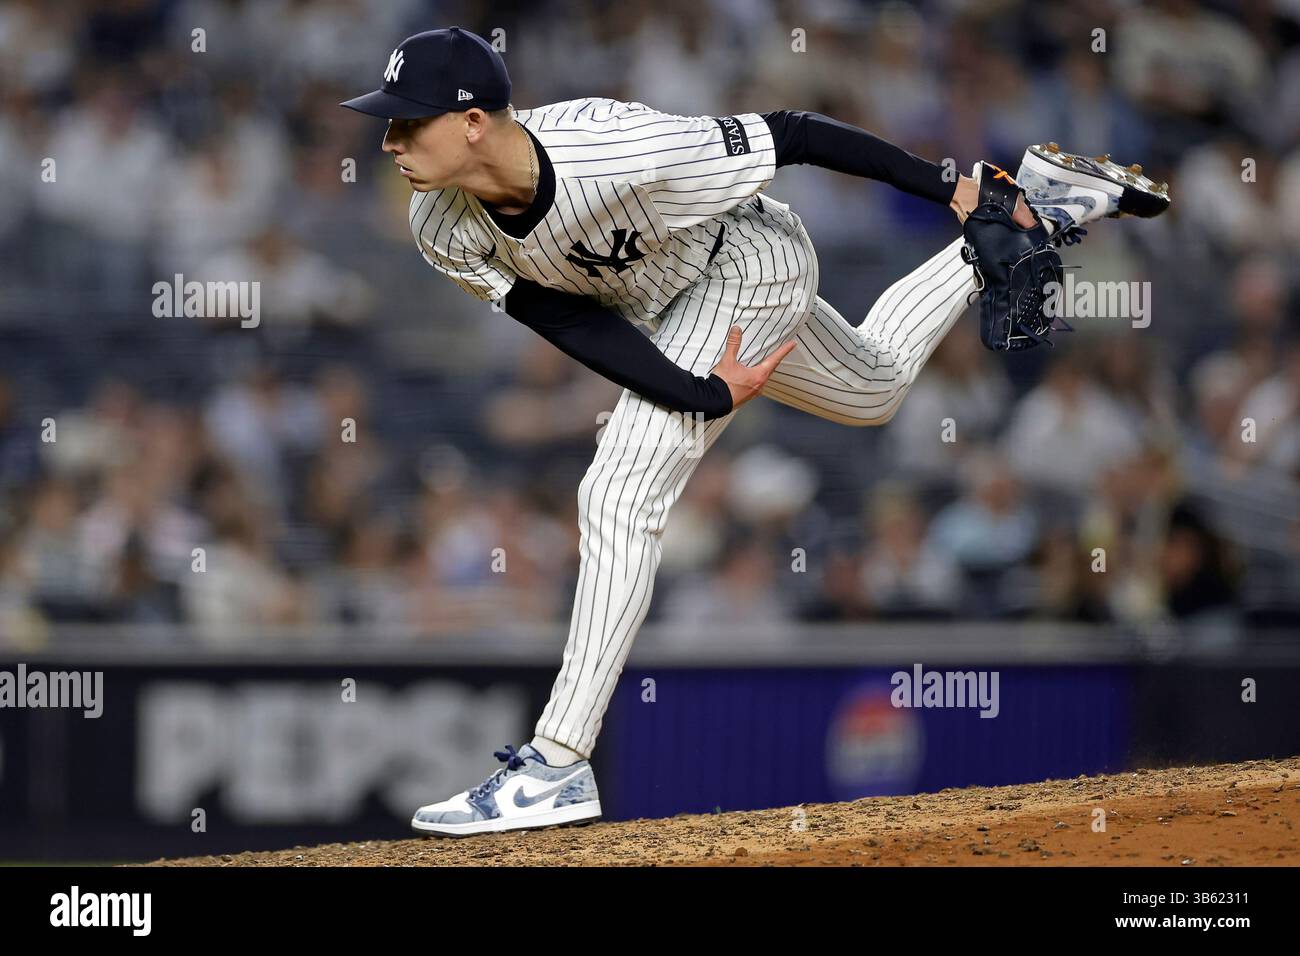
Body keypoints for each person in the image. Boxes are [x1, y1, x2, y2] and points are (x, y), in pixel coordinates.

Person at [340, 26, 1168, 836]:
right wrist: (691, 390)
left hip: (745, 260)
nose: (389, 141)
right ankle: (1032, 209)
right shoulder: (439, 223)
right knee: (874, 386)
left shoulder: (617, 147)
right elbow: (562, 317)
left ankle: (556, 762)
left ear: (475, 121)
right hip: (667, 314)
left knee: (617, 491)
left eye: (408, 120)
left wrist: (948, 189)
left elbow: (795, 133)